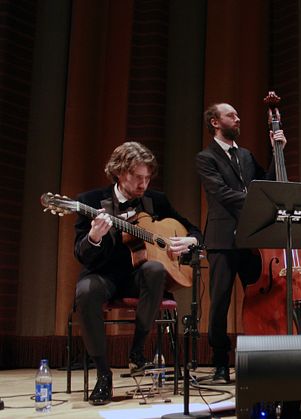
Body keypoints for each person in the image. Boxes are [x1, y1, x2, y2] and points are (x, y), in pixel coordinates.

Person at [74, 142, 202, 405]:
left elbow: (193, 230)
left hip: (139, 279)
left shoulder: (156, 201)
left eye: (148, 178)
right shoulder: (89, 202)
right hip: (103, 275)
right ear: (120, 173)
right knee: (86, 291)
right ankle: (103, 375)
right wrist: (94, 236)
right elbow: (81, 254)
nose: (144, 184)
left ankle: (137, 351)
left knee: (155, 268)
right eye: (138, 178)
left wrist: (190, 241)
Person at [196, 102, 287, 384]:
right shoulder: (206, 157)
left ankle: (263, 356)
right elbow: (221, 193)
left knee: (261, 298)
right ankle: (220, 364)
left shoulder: (245, 155)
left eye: (237, 115)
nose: (238, 119)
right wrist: (258, 200)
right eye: (231, 115)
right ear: (215, 122)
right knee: (220, 302)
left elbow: (268, 182)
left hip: (252, 238)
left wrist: (277, 151)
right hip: (222, 240)